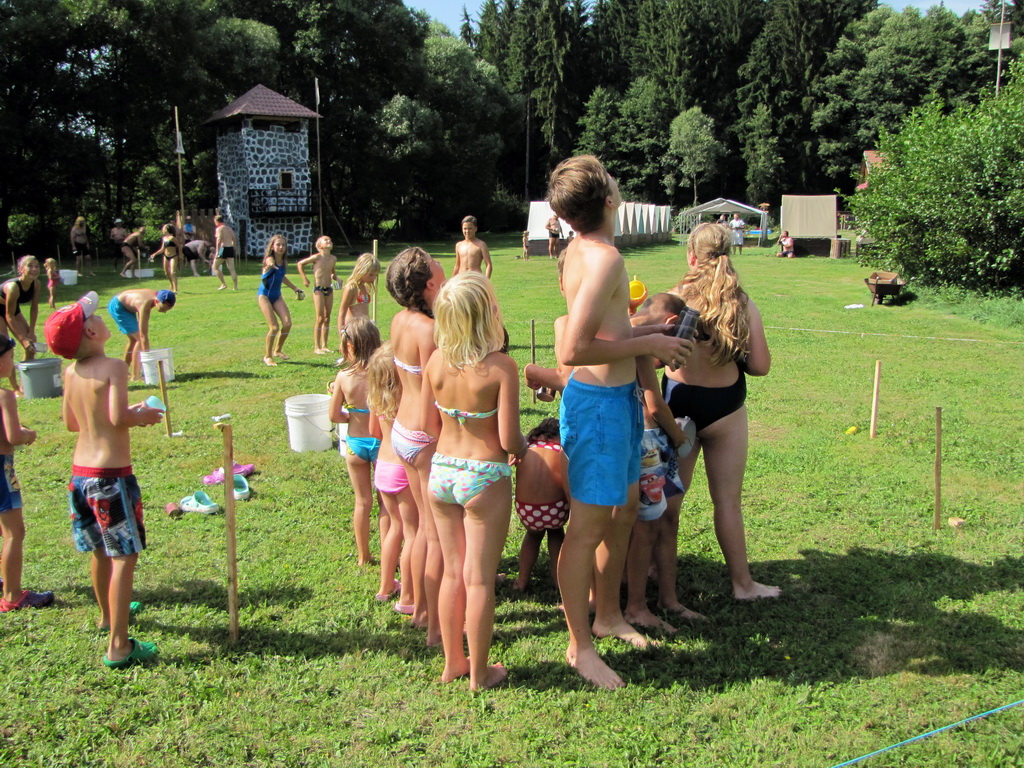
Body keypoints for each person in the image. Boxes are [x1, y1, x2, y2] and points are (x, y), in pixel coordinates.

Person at [547, 154, 691, 689]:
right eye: (610, 175)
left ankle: (608, 615)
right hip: (599, 408)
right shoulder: (603, 257)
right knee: (587, 529)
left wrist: (645, 336)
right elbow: (573, 348)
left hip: (620, 401)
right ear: (608, 200)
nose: (616, 178)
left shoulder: (583, 249)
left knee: (624, 510)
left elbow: (604, 328)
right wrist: (648, 344)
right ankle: (580, 647)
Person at [44, 291, 164, 667]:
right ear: (91, 333)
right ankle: (118, 646)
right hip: (110, 478)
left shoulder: (70, 372)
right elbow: (117, 418)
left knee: (99, 550)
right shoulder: (113, 367)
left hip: (80, 476)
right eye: (93, 317)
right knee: (124, 557)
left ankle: (107, 617)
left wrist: (122, 412)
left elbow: (72, 423)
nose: (99, 318)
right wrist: (140, 416)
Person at [664, 222, 779, 600]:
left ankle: (656, 571)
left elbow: (651, 356)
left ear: (691, 256)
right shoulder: (741, 302)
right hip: (724, 407)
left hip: (676, 404)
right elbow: (760, 366)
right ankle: (743, 584)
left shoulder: (672, 299)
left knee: (668, 502)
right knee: (727, 502)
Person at [424, 271, 526, 690]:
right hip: (484, 476)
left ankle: (453, 663)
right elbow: (508, 439)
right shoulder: (501, 367)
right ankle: (480, 673)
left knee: (452, 573)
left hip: (442, 473)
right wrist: (523, 447)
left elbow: (431, 425)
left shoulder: (435, 362)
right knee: (479, 579)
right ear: (488, 314)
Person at [625, 293, 704, 631]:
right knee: (653, 525)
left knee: (621, 525)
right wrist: (680, 437)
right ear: (671, 323)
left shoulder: (613, 328)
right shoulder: (643, 343)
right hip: (648, 445)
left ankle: (615, 595)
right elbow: (655, 404)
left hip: (611, 440)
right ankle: (650, 603)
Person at [385, 246, 445, 645]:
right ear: (430, 284)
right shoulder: (429, 330)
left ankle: (415, 602)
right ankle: (427, 615)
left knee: (419, 527)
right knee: (431, 532)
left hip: (401, 432)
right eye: (438, 267)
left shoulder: (399, 320)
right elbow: (432, 397)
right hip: (423, 436)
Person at [0, 334, 53, 612]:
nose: (13, 362)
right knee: (14, 532)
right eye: (10, 357)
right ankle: (12, 596)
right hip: (1, 470)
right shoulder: (4, 395)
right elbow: (14, 436)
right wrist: (28, 434)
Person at [329, 317, 382, 567]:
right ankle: (390, 551)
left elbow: (334, 415)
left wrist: (351, 415)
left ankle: (363, 556)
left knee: (362, 502)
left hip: (355, 444)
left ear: (349, 346)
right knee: (386, 505)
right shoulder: (383, 373)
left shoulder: (343, 377)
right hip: (381, 442)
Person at [367, 342, 415, 611]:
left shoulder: (377, 401)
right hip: (402, 469)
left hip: (382, 467)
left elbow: (374, 432)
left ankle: (385, 587)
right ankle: (408, 595)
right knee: (412, 533)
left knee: (394, 528)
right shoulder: (406, 400)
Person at [512, 418, 567, 593]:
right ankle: (559, 582)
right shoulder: (561, 449)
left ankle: (521, 581)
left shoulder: (527, 447)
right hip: (555, 508)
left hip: (526, 509)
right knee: (556, 534)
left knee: (532, 536)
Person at [107, 288, 176, 381]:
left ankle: (122, 371)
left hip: (127, 306)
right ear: (156, 301)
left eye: (167, 309)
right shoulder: (145, 304)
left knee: (134, 340)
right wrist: (148, 358)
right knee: (139, 339)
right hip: (118, 307)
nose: (164, 312)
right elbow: (143, 336)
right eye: (163, 308)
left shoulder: (156, 297)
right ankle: (135, 376)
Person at [257, 234, 302, 367]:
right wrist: (270, 264)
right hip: (264, 296)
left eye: (283, 245)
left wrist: (295, 288)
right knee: (274, 327)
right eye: (278, 244)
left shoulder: (283, 262)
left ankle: (277, 350)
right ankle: (268, 356)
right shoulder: (269, 259)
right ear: (272, 247)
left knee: (287, 323)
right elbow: (269, 262)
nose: (281, 247)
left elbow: (282, 276)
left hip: (277, 296)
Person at [0, 256, 42, 393]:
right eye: (30, 266)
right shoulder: (13, 287)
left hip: (12, 309)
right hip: (3, 312)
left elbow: (34, 307)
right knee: (7, 349)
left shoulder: (36, 284)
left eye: (37, 266)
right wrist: (22, 340)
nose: (34, 269)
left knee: (31, 346)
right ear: (21, 269)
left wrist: (31, 332)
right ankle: (15, 389)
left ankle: (25, 385)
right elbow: (9, 316)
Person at [335, 253, 379, 366]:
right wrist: (342, 334)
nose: (374, 278)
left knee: (369, 356)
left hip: (365, 327)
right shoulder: (351, 288)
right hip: (353, 328)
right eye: (371, 275)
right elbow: (341, 313)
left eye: (375, 275)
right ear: (362, 270)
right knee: (356, 359)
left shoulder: (365, 286)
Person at [297, 236, 339, 355]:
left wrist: (336, 278)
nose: (329, 241)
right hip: (318, 289)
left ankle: (325, 345)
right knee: (320, 318)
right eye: (325, 240)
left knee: (327, 317)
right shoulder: (317, 257)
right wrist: (304, 278)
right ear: (320, 246)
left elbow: (332, 273)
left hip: (329, 289)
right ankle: (317, 346)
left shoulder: (333, 258)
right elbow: (300, 264)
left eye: (330, 240)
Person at [149, 224, 180, 293]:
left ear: (167, 229)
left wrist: (180, 256)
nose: (162, 229)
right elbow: (162, 249)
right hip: (166, 256)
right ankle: (171, 284)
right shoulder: (164, 238)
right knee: (166, 273)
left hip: (173, 256)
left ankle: (175, 289)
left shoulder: (172, 238)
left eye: (163, 228)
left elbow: (179, 246)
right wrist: (154, 254)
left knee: (173, 272)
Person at [213, 215, 239, 290]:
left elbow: (219, 240)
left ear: (217, 221)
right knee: (232, 268)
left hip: (223, 248)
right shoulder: (229, 228)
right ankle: (235, 286)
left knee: (215, 267)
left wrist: (217, 252)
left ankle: (223, 284)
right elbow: (234, 239)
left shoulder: (219, 229)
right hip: (230, 248)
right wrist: (233, 247)